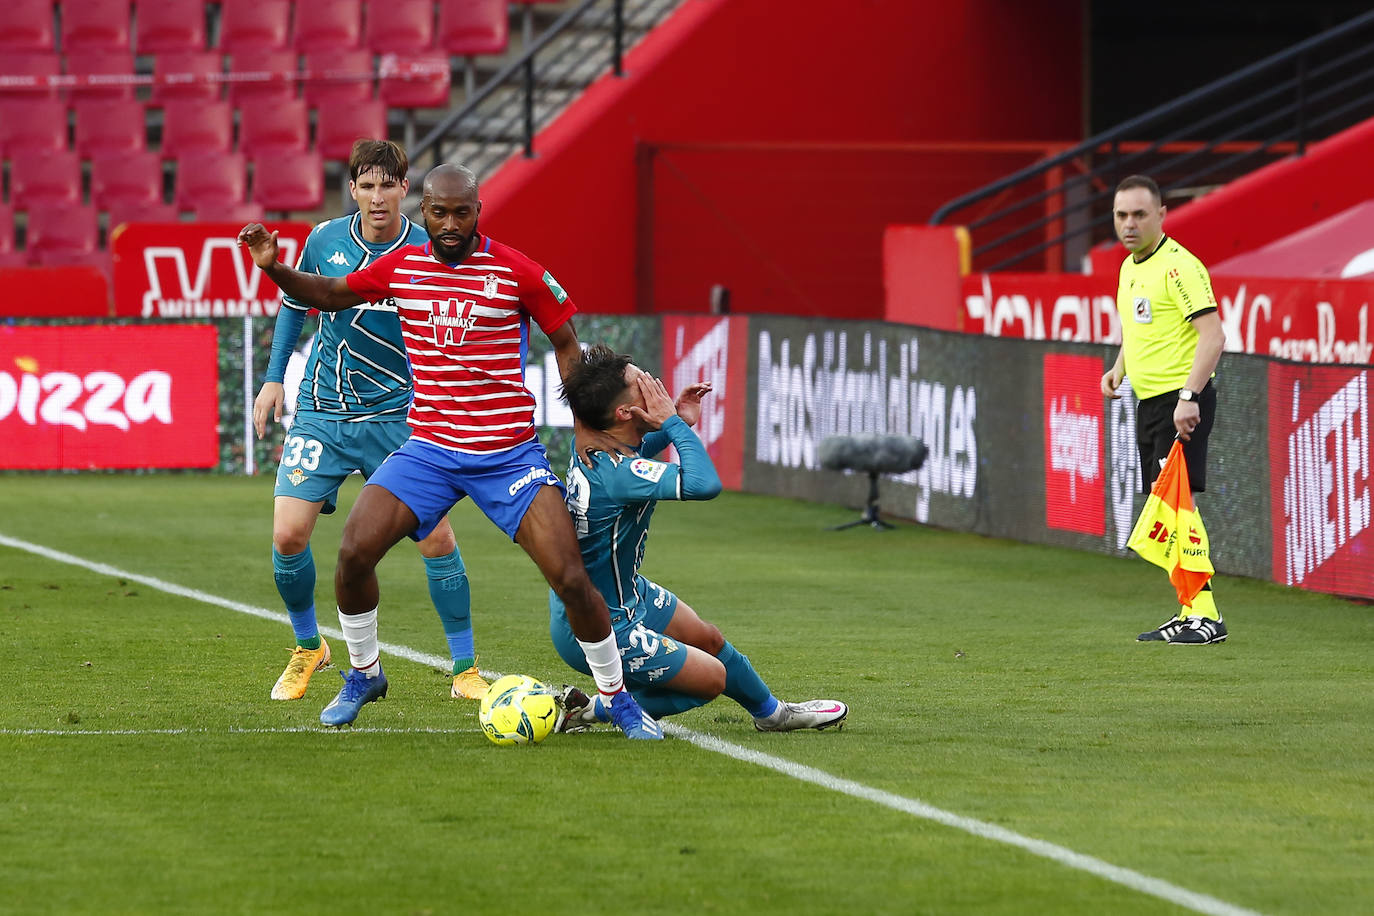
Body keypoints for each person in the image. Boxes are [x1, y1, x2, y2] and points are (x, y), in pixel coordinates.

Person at [237, 163, 661, 739]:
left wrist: (586, 427)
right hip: (429, 451)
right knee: (354, 553)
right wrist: (274, 269)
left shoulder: (516, 270)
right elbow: (329, 293)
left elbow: (566, 342)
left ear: (478, 211)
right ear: (426, 212)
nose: (451, 224)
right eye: (440, 213)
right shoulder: (402, 267)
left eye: (462, 212)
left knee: (569, 577)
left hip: (507, 454)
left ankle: (617, 699)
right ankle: (364, 675)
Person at [253, 140, 489, 704]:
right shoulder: (324, 240)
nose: (378, 197)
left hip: (399, 417)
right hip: (323, 410)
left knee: (436, 538)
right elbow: (294, 306)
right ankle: (309, 647)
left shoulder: (429, 248)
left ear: (405, 189)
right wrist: (274, 377)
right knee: (287, 535)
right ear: (353, 190)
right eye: (367, 186)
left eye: (388, 185)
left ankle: (465, 669)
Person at [551, 345, 848, 732]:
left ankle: (773, 714)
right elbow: (703, 484)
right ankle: (595, 708)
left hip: (616, 592)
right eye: (643, 383)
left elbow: (635, 450)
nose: (654, 384)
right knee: (711, 678)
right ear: (624, 412)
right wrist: (674, 424)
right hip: (600, 621)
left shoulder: (598, 448)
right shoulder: (618, 473)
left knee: (707, 638)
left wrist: (677, 421)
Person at [1101, 174, 1228, 645]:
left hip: (1180, 402)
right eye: (1121, 215)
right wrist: (1119, 368)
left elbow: (1213, 337)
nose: (1129, 224)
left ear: (1161, 215)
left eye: (1139, 214)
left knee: (1179, 507)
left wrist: (1189, 398)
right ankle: (1191, 611)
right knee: (1169, 511)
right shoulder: (1129, 267)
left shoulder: (1180, 267)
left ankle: (1206, 615)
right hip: (1151, 403)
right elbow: (1140, 329)